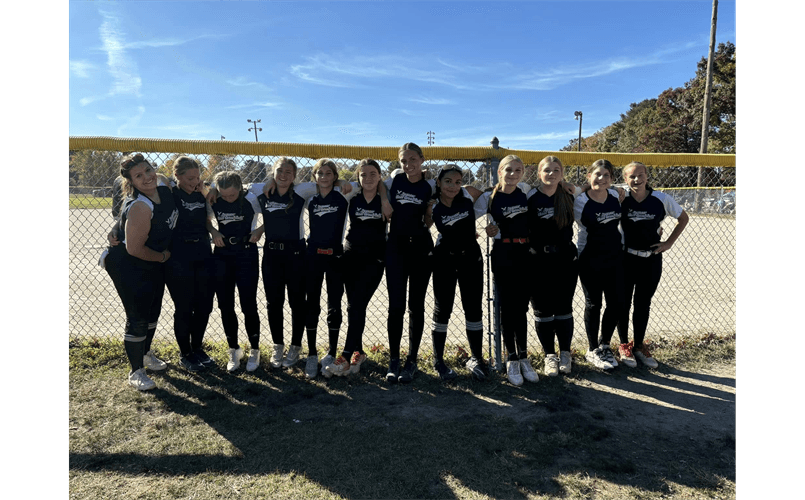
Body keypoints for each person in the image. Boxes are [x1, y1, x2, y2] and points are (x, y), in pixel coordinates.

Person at [102, 153, 178, 390]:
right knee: (137, 317)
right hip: (128, 263)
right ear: (131, 182)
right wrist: (163, 256)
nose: (146, 177)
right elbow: (134, 249)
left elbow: (164, 177)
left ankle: (145, 355)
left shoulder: (162, 184)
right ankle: (136, 371)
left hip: (150, 260)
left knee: (153, 310)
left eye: (148, 170)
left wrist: (115, 228)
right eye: (138, 175)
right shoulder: (141, 206)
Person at [615, 161, 689, 368]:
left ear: (647, 176)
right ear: (625, 179)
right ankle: (624, 345)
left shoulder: (661, 198)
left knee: (642, 303)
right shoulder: (621, 197)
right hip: (626, 258)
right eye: (631, 176)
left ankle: (639, 345)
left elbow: (683, 218)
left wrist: (669, 242)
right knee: (623, 303)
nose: (636, 180)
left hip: (651, 258)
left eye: (640, 175)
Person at [475, 155, 538, 386]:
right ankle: (511, 357)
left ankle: (523, 356)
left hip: (525, 252)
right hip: (503, 253)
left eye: (518, 170)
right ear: (499, 171)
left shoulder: (526, 191)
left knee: (521, 308)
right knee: (507, 306)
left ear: (523, 173)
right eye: (508, 170)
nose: (512, 174)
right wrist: (483, 230)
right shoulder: (488, 197)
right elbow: (466, 213)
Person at [326, 159, 390, 377]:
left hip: (374, 260)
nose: (368, 178)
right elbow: (329, 183)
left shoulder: (386, 192)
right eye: (363, 175)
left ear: (380, 176)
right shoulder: (352, 194)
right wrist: (343, 179)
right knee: (353, 306)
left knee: (357, 306)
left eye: (373, 174)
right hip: (351, 256)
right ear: (358, 177)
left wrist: (383, 195)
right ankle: (359, 352)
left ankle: (344, 356)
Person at [382, 143, 437, 384]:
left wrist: (429, 215)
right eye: (404, 160)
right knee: (396, 305)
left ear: (422, 160)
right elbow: (378, 187)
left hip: (421, 247)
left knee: (416, 305)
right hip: (396, 246)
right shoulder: (395, 179)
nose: (408, 165)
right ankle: (394, 359)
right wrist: (385, 200)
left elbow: (431, 218)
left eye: (413, 159)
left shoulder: (431, 185)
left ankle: (412, 360)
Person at [427, 166, 488, 381]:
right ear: (439, 183)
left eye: (457, 181)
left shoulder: (468, 193)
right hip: (444, 258)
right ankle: (438, 361)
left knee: (473, 307)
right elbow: (425, 224)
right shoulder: (432, 203)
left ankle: (477, 358)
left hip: (470, 257)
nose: (453, 186)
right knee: (443, 309)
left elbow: (494, 192)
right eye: (448, 182)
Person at [163, 156, 218, 372]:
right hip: (179, 256)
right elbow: (157, 178)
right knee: (184, 307)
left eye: (198, 177)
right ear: (176, 175)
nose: (195, 181)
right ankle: (185, 353)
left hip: (203, 252)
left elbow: (210, 218)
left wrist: (204, 189)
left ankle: (197, 348)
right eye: (189, 177)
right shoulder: (169, 193)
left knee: (204, 305)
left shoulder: (201, 193)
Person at [208, 171, 265, 373]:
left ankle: (255, 350)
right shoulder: (214, 197)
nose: (228, 198)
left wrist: (260, 229)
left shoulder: (252, 197)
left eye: (232, 195)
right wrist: (214, 231)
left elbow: (275, 212)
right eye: (224, 195)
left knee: (248, 303)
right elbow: (206, 218)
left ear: (240, 188)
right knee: (225, 304)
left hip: (246, 254)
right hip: (222, 255)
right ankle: (234, 349)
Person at [527, 156, 579, 376]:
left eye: (556, 170)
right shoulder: (530, 196)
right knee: (543, 309)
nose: (551, 174)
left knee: (564, 307)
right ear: (539, 174)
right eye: (546, 170)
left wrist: (619, 190)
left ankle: (565, 353)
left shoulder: (569, 194)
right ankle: (549, 355)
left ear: (562, 173)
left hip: (565, 258)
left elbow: (599, 188)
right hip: (538, 259)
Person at [574, 159, 624, 371]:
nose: (602, 179)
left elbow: (640, 189)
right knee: (594, 304)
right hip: (589, 257)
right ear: (589, 176)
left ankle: (605, 344)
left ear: (612, 179)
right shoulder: (579, 200)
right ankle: (592, 348)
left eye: (607, 175)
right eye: (597, 174)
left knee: (615, 303)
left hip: (614, 256)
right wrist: (578, 188)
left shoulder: (615, 195)